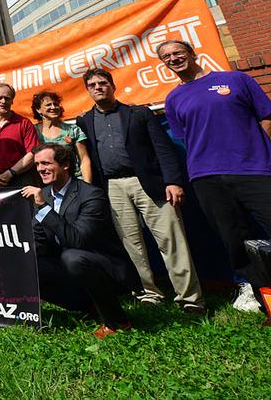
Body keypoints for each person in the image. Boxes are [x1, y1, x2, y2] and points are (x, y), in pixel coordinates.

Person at [77, 68, 204, 312]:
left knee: (171, 240)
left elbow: (163, 149)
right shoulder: (84, 121)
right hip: (112, 188)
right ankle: (148, 294)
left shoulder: (139, 113)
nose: (98, 87)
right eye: (92, 84)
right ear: (88, 90)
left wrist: (173, 181)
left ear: (113, 86)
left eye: (103, 83)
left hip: (150, 184)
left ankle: (190, 298)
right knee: (130, 244)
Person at [158, 39, 271, 313]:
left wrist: (259, 148)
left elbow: (266, 116)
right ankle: (261, 295)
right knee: (234, 239)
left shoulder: (236, 79)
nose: (174, 59)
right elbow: (186, 137)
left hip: (253, 169)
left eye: (178, 53)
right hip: (206, 177)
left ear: (192, 54)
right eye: (167, 57)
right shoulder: (173, 99)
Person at [22, 143, 140, 338]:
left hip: (105, 269)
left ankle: (117, 320)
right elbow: (40, 238)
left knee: (73, 257)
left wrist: (43, 207)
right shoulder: (44, 196)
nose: (40, 169)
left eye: (46, 163)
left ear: (66, 165)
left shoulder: (91, 195)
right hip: (69, 267)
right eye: (37, 164)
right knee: (29, 261)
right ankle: (88, 305)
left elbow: (77, 240)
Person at [32, 91, 92, 183]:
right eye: (48, 105)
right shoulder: (32, 131)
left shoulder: (72, 129)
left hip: (74, 181)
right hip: (46, 184)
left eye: (56, 104)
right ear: (38, 109)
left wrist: (87, 186)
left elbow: (84, 159)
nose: (53, 107)